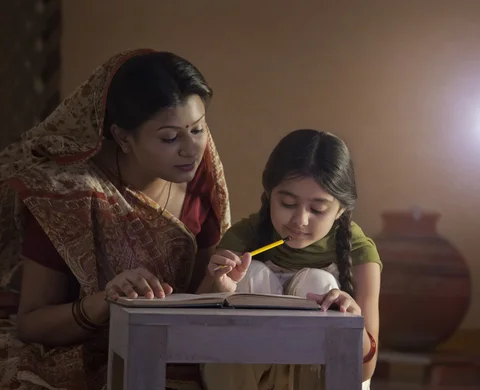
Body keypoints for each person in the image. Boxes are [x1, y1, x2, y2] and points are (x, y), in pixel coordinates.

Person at [0, 49, 230, 390]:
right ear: (123, 138)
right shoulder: (67, 195)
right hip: (74, 351)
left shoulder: (200, 180)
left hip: (168, 351)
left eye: (198, 130)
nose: (191, 149)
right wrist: (106, 301)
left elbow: (194, 305)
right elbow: (31, 324)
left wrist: (219, 285)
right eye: (170, 138)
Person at [199, 129, 382, 390]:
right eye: (287, 203)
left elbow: (365, 370)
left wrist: (351, 320)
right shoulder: (244, 238)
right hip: (246, 378)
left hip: (318, 378)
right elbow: (192, 342)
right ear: (269, 194)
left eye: (318, 209)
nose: (300, 220)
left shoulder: (361, 254)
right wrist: (219, 289)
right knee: (253, 275)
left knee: (319, 283)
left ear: (341, 209)